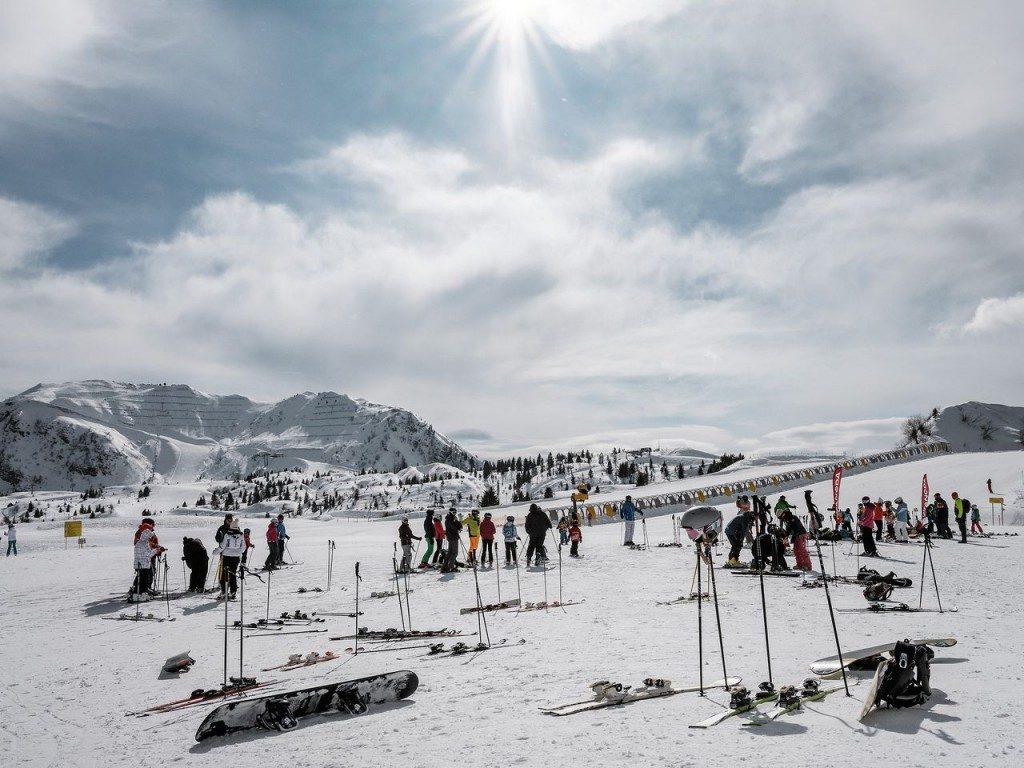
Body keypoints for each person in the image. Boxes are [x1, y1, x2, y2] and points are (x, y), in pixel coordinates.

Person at [132, 517, 166, 598]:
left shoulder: (146, 532)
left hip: (146, 557)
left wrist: (157, 547)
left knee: (148, 573)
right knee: (145, 575)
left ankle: (145, 589)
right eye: (152, 525)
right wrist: (156, 550)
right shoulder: (143, 533)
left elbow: (150, 543)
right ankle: (142, 590)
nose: (153, 527)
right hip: (145, 558)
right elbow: (146, 545)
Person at [214, 520, 245, 599]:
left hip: (226, 556)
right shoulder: (241, 535)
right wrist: (238, 552)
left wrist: (216, 551)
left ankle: (224, 591)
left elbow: (223, 546)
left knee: (224, 574)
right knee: (233, 573)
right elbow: (243, 548)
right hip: (236, 558)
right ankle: (233, 591)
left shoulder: (227, 535)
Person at [442, 508, 462, 572]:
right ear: (450, 512)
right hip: (453, 537)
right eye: (453, 512)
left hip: (451, 537)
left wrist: (458, 524)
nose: (455, 513)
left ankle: (445, 566)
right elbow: (454, 527)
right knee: (455, 553)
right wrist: (456, 522)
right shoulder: (450, 519)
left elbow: (458, 526)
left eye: (455, 512)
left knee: (450, 552)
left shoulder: (449, 519)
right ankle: (451, 567)